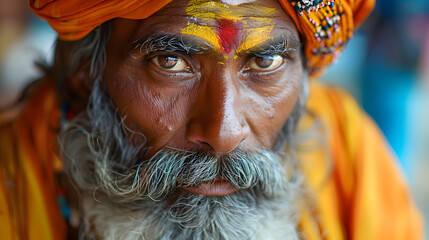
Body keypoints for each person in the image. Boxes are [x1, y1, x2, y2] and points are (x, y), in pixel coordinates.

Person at [0, 0, 423, 239]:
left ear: (303, 78)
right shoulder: (9, 186)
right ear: (82, 73)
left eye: (266, 60)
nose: (223, 133)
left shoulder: (348, 149)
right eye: (170, 61)